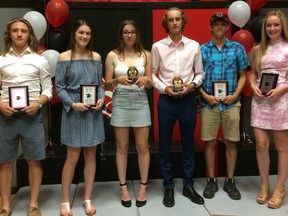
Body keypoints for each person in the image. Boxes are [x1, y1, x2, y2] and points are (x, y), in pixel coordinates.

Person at [151, 7, 205, 207]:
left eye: (177, 19)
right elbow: (153, 74)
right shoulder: (157, 47)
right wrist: (165, 88)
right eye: (171, 20)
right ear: (167, 23)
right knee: (164, 145)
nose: (174, 23)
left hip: (188, 100)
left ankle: (188, 185)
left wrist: (191, 86)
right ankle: (169, 186)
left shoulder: (194, 46)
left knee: (188, 145)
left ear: (183, 22)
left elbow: (200, 74)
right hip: (166, 101)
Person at [0, 17, 52, 216]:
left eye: (23, 30)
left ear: (29, 35)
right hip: (6, 117)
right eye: (15, 30)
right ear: (9, 34)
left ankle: (33, 204)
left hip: (32, 117)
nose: (19, 34)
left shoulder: (40, 60)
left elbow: (48, 89)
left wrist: (38, 103)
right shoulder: (1, 59)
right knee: (4, 162)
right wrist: (1, 104)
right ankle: (5, 205)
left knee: (34, 161)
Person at [56, 20, 105, 216]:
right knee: (72, 157)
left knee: (91, 155)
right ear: (74, 34)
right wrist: (73, 104)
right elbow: (59, 87)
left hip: (92, 111)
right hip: (73, 112)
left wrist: (101, 98)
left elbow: (99, 85)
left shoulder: (96, 57)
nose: (85, 36)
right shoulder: (63, 57)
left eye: (88, 33)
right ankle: (65, 200)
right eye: (81, 33)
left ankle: (87, 198)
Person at [199, 12, 249, 200]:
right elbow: (197, 77)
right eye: (216, 24)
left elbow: (243, 75)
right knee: (209, 142)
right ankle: (211, 180)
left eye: (222, 24)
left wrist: (235, 95)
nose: (219, 27)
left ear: (227, 27)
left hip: (231, 103)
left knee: (231, 142)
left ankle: (230, 181)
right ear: (210, 27)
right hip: (208, 103)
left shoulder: (237, 48)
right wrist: (205, 95)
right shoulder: (202, 50)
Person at [105, 20, 152, 208]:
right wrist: (117, 80)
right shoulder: (112, 55)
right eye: (125, 32)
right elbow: (107, 84)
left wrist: (145, 80)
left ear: (137, 34)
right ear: (121, 35)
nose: (129, 35)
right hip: (121, 102)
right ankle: (123, 186)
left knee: (142, 147)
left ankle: (143, 186)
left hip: (140, 102)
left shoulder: (146, 55)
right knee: (122, 146)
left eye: (132, 32)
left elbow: (150, 83)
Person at [250, 10, 288, 209]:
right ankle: (264, 183)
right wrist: (253, 85)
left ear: (283, 26)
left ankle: (280, 188)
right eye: (268, 25)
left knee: (282, 147)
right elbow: (253, 73)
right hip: (261, 101)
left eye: (276, 25)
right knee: (261, 144)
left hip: (281, 100)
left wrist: (282, 89)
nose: (272, 28)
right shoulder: (258, 49)